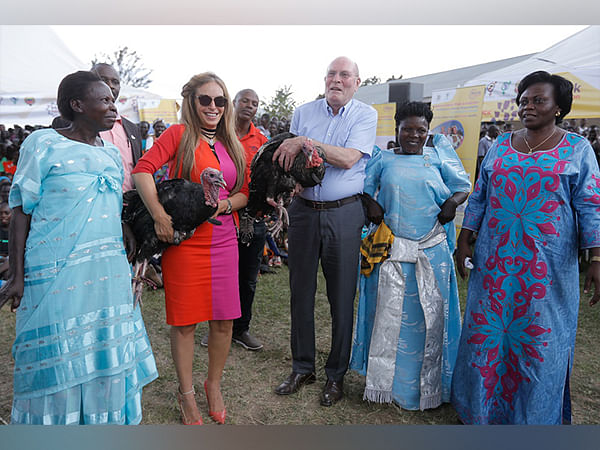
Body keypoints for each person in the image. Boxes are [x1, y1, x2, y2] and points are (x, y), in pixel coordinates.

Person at [0, 70, 158, 425]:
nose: (113, 107)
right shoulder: (42, 144)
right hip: (53, 271)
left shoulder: (110, 155)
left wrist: (123, 227)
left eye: (113, 100)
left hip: (106, 272)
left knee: (103, 348)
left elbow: (107, 206)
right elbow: (22, 211)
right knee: (57, 352)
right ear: (77, 105)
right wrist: (18, 276)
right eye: (104, 100)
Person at [451, 71, 600, 424]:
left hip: (546, 270)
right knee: (489, 337)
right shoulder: (502, 144)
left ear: (559, 107)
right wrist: (464, 237)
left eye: (538, 100)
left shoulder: (577, 150)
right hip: (494, 264)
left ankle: (533, 418)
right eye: (523, 101)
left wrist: (596, 257)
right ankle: (481, 411)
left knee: (538, 342)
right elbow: (480, 195)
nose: (527, 107)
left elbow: (592, 205)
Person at [132, 72, 248, 425]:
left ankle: (213, 384)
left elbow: (243, 192)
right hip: (185, 242)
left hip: (225, 240)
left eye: (220, 101)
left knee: (225, 321)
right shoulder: (178, 135)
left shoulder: (233, 143)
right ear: (191, 102)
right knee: (184, 323)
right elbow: (143, 171)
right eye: (205, 100)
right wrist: (159, 216)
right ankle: (186, 395)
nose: (213, 107)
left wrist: (224, 206)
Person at [349, 101, 471, 411]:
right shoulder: (383, 159)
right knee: (390, 318)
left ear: (428, 132)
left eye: (421, 130)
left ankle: (433, 389)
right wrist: (369, 203)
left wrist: (453, 204)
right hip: (391, 252)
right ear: (397, 130)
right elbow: (363, 186)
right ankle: (387, 387)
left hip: (432, 251)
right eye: (407, 130)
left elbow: (462, 186)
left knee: (430, 318)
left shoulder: (439, 156)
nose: (414, 135)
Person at [273, 56, 377, 407]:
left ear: (356, 82)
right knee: (300, 292)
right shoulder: (303, 112)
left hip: (344, 213)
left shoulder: (365, 115)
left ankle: (336, 375)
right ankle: (303, 367)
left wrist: (306, 142)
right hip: (303, 212)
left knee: (341, 297)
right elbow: (290, 158)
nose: (336, 79)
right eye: (331, 74)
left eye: (344, 74)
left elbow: (349, 158)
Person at [230, 89, 268, 350]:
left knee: (248, 277)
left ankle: (241, 329)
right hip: (222, 214)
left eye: (255, 103)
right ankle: (218, 327)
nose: (250, 106)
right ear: (234, 103)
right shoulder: (218, 134)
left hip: (251, 217)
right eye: (245, 100)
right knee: (222, 275)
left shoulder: (262, 140)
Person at [91, 63, 143, 192]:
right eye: (103, 80)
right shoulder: (70, 123)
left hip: (127, 207)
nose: (110, 86)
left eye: (115, 82)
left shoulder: (132, 129)